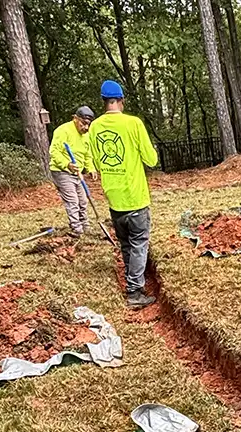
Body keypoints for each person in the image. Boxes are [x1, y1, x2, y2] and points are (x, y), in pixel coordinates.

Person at [89, 80, 158, 308]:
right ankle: (135, 291)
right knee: (139, 243)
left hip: (114, 198)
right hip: (134, 196)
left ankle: (131, 279)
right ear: (121, 100)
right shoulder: (133, 123)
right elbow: (151, 159)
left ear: (103, 102)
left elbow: (98, 162)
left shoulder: (95, 128)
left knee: (127, 244)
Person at [49, 106, 97, 237]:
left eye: (88, 125)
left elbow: (87, 155)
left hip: (78, 173)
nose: (86, 128)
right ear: (75, 119)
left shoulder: (86, 136)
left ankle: (85, 225)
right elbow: (54, 152)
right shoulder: (63, 131)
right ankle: (76, 228)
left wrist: (91, 168)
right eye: (83, 124)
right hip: (61, 171)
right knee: (73, 200)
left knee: (83, 200)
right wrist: (67, 164)